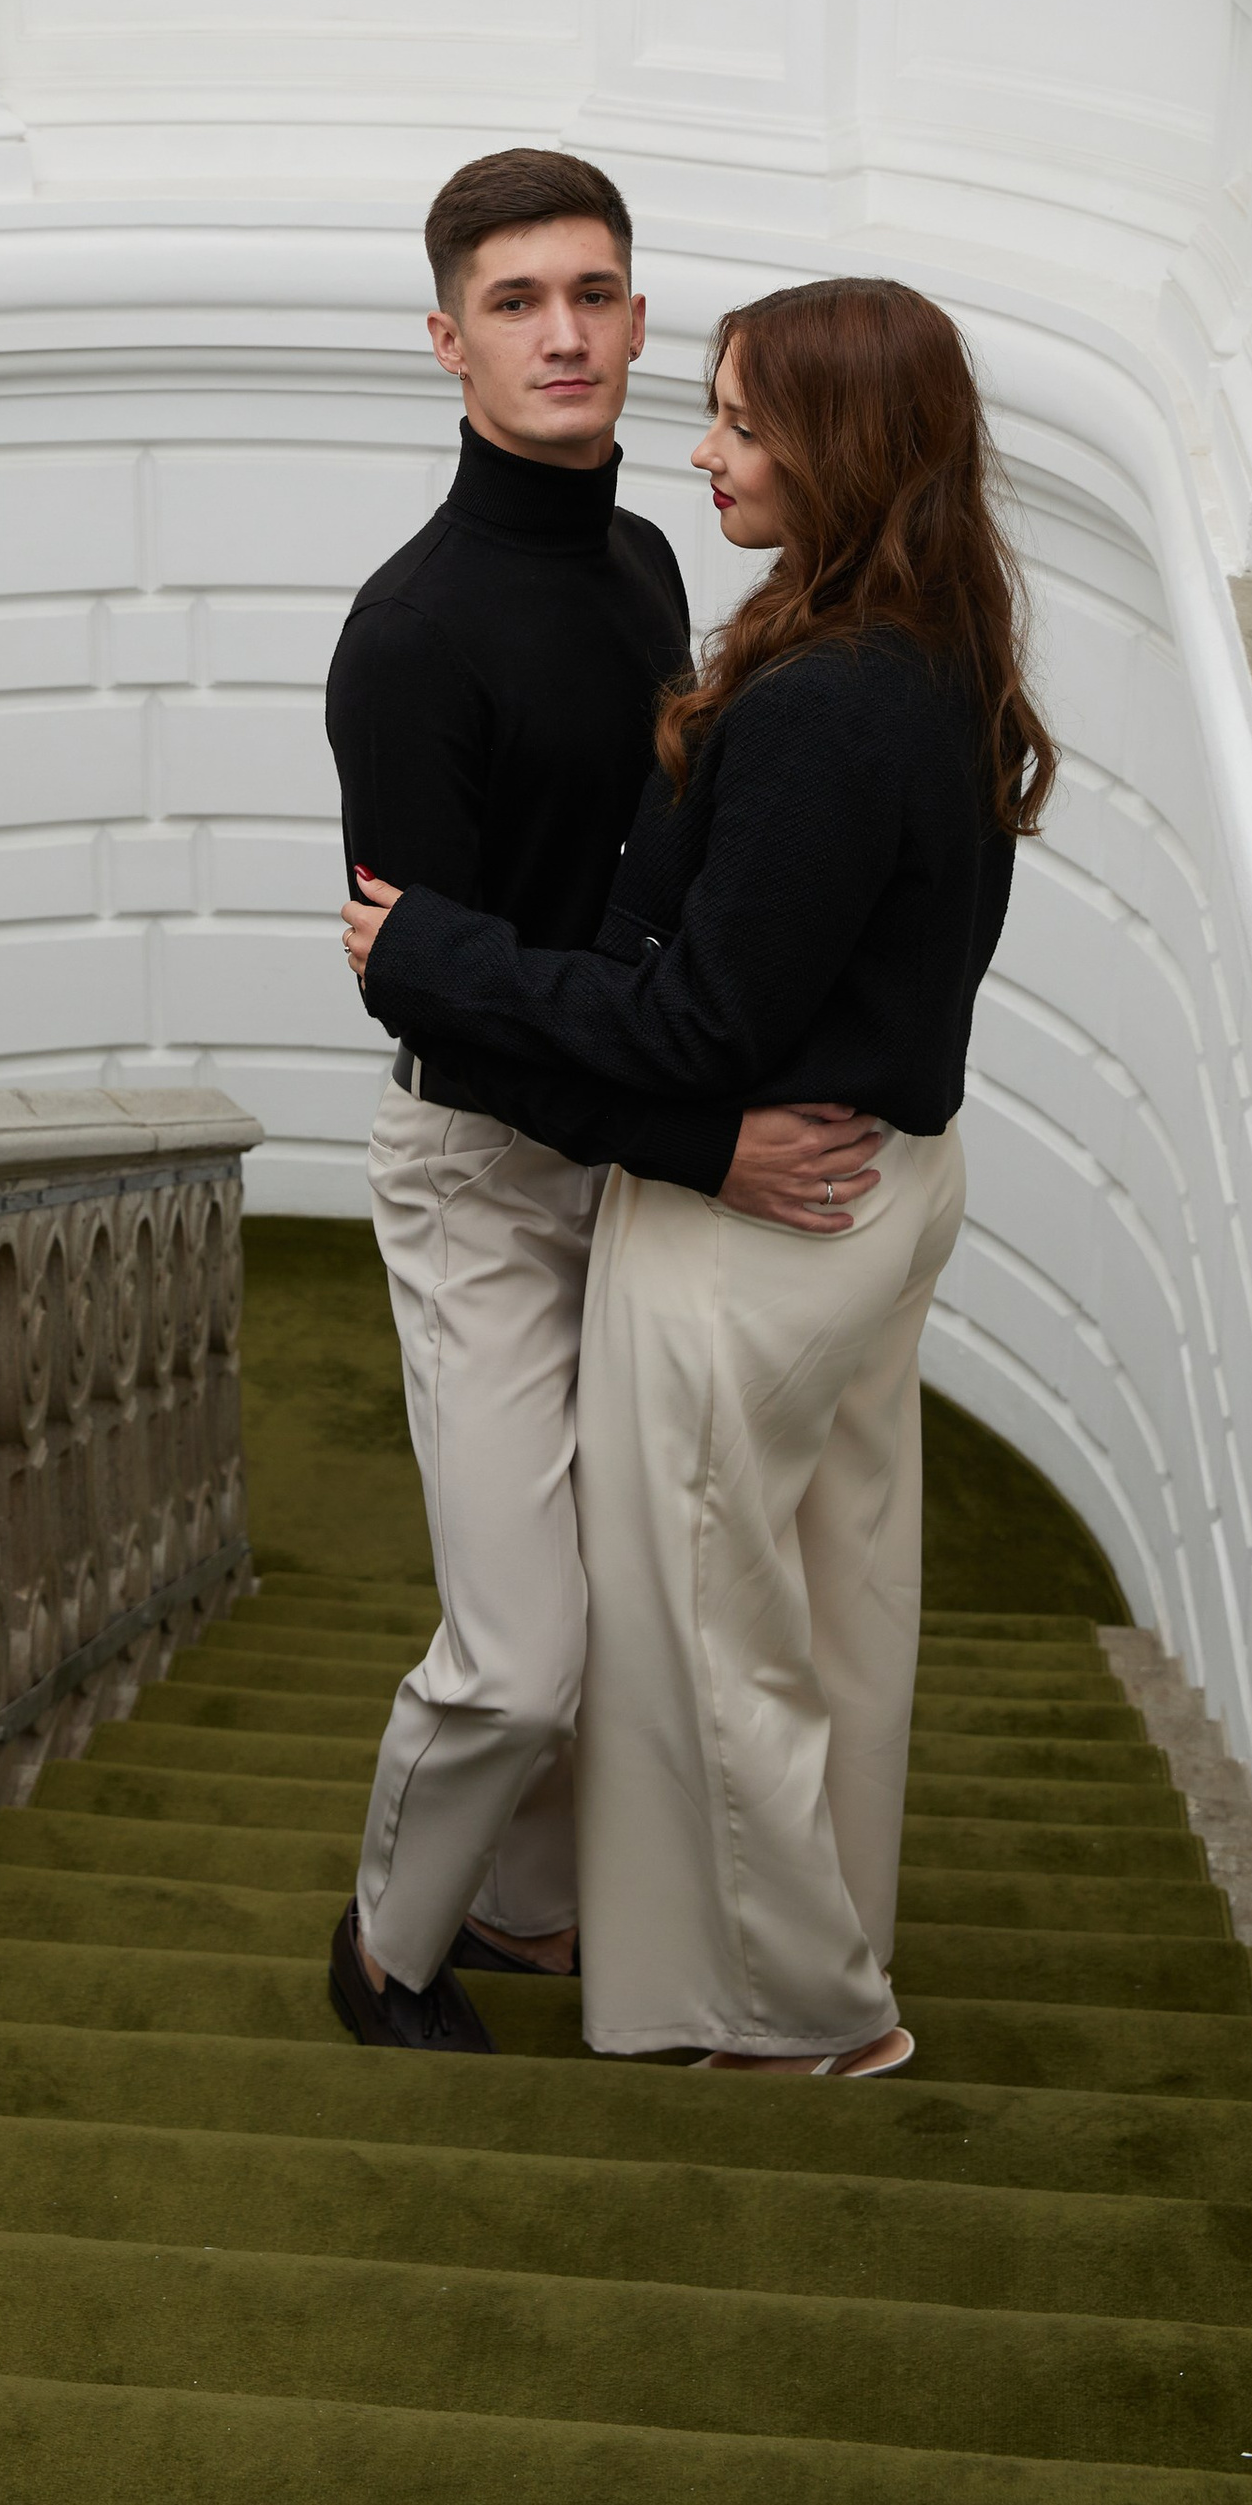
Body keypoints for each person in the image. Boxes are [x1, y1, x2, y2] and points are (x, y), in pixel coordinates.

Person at [344, 275, 1054, 2075]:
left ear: (845, 448)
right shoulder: (921, 637)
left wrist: (436, 953)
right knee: (833, 1613)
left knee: (706, 1637)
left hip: (767, 1222)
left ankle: (798, 2007)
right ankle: (714, 1933)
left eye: (742, 421)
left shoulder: (828, 691)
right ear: (450, 334)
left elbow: (697, 1029)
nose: (702, 447)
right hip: (871, 1184)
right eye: (717, 413)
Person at [323, 152, 888, 2056]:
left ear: (640, 319)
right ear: (448, 342)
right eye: (515, 303)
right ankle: (386, 1946)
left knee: (637, 1605)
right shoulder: (412, 637)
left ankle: (527, 1910)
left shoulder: (651, 562)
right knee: (519, 1655)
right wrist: (709, 1140)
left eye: (593, 294)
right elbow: (438, 1001)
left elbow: (655, 908)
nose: (562, 334)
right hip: (489, 1177)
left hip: (639, 1172)